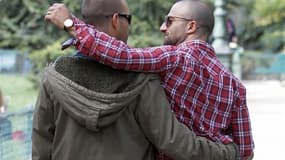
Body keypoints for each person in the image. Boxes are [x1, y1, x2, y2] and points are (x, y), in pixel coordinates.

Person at [46, 0, 254, 159]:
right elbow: (245, 151)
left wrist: (69, 23)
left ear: (191, 27)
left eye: (170, 21)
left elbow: (121, 55)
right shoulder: (235, 86)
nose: (163, 27)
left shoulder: (174, 59)